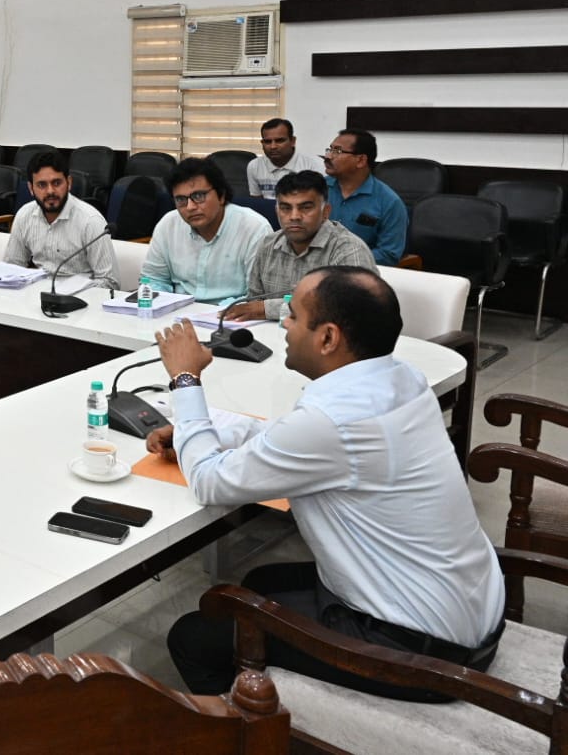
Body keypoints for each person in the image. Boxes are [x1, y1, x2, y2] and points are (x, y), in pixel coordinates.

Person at [153, 267, 505, 700]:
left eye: (294, 316)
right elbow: (287, 439)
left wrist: (185, 380)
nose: (284, 324)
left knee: (191, 638)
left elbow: (209, 481)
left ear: (328, 338)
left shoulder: (332, 421)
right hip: (471, 611)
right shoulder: (400, 378)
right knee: (262, 582)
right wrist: (199, 431)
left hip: (422, 651)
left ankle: (243, 724)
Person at [223, 172, 377, 321]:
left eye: (305, 207)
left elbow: (351, 307)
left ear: (326, 212)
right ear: (277, 211)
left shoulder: (348, 249)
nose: (294, 216)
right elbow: (254, 303)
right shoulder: (268, 245)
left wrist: (267, 309)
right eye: (286, 208)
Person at [139, 157, 270, 303]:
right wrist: (164, 304)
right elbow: (153, 280)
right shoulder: (168, 224)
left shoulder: (254, 229)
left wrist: (220, 312)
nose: (190, 207)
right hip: (179, 311)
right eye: (181, 199)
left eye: (198, 196)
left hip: (232, 313)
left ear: (221, 195)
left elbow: (258, 296)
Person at [3, 150, 118, 287]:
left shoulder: (90, 221)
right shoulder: (24, 215)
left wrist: (77, 292)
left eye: (56, 183)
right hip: (36, 293)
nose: (50, 191)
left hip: (80, 296)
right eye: (42, 185)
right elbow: (12, 269)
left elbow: (110, 282)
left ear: (69, 183)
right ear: (31, 188)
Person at [324, 128, 408, 267]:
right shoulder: (317, 188)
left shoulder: (389, 202)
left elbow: (388, 254)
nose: (328, 156)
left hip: (360, 271)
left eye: (337, 151)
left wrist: (344, 260)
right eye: (329, 150)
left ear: (361, 160)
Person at [247, 118, 324, 199]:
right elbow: (257, 202)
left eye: (279, 141)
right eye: (268, 142)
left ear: (292, 141)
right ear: (262, 143)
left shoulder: (312, 165)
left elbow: (319, 201)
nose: (273, 146)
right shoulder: (254, 166)